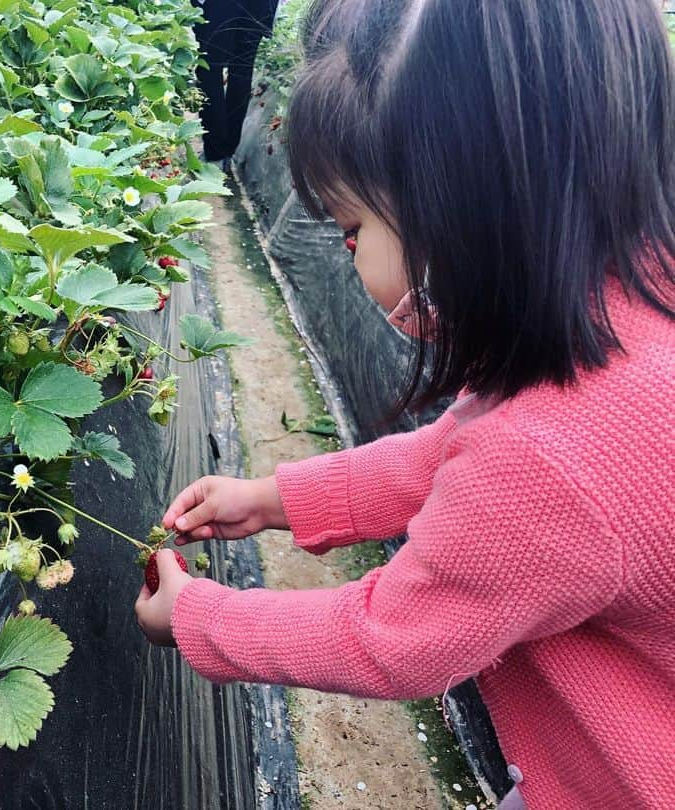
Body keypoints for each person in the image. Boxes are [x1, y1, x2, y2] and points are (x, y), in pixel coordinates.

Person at [134, 1, 675, 808]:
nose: (349, 253)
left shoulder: (551, 461)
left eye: (353, 229)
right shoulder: (631, 303)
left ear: (461, 213)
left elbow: (393, 636)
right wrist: (277, 498)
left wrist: (201, 618)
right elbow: (455, 457)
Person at [193, 0, 277, 171]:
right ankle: (227, 150)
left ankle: (216, 152)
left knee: (209, 68)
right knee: (241, 71)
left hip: (219, 5)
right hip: (257, 6)